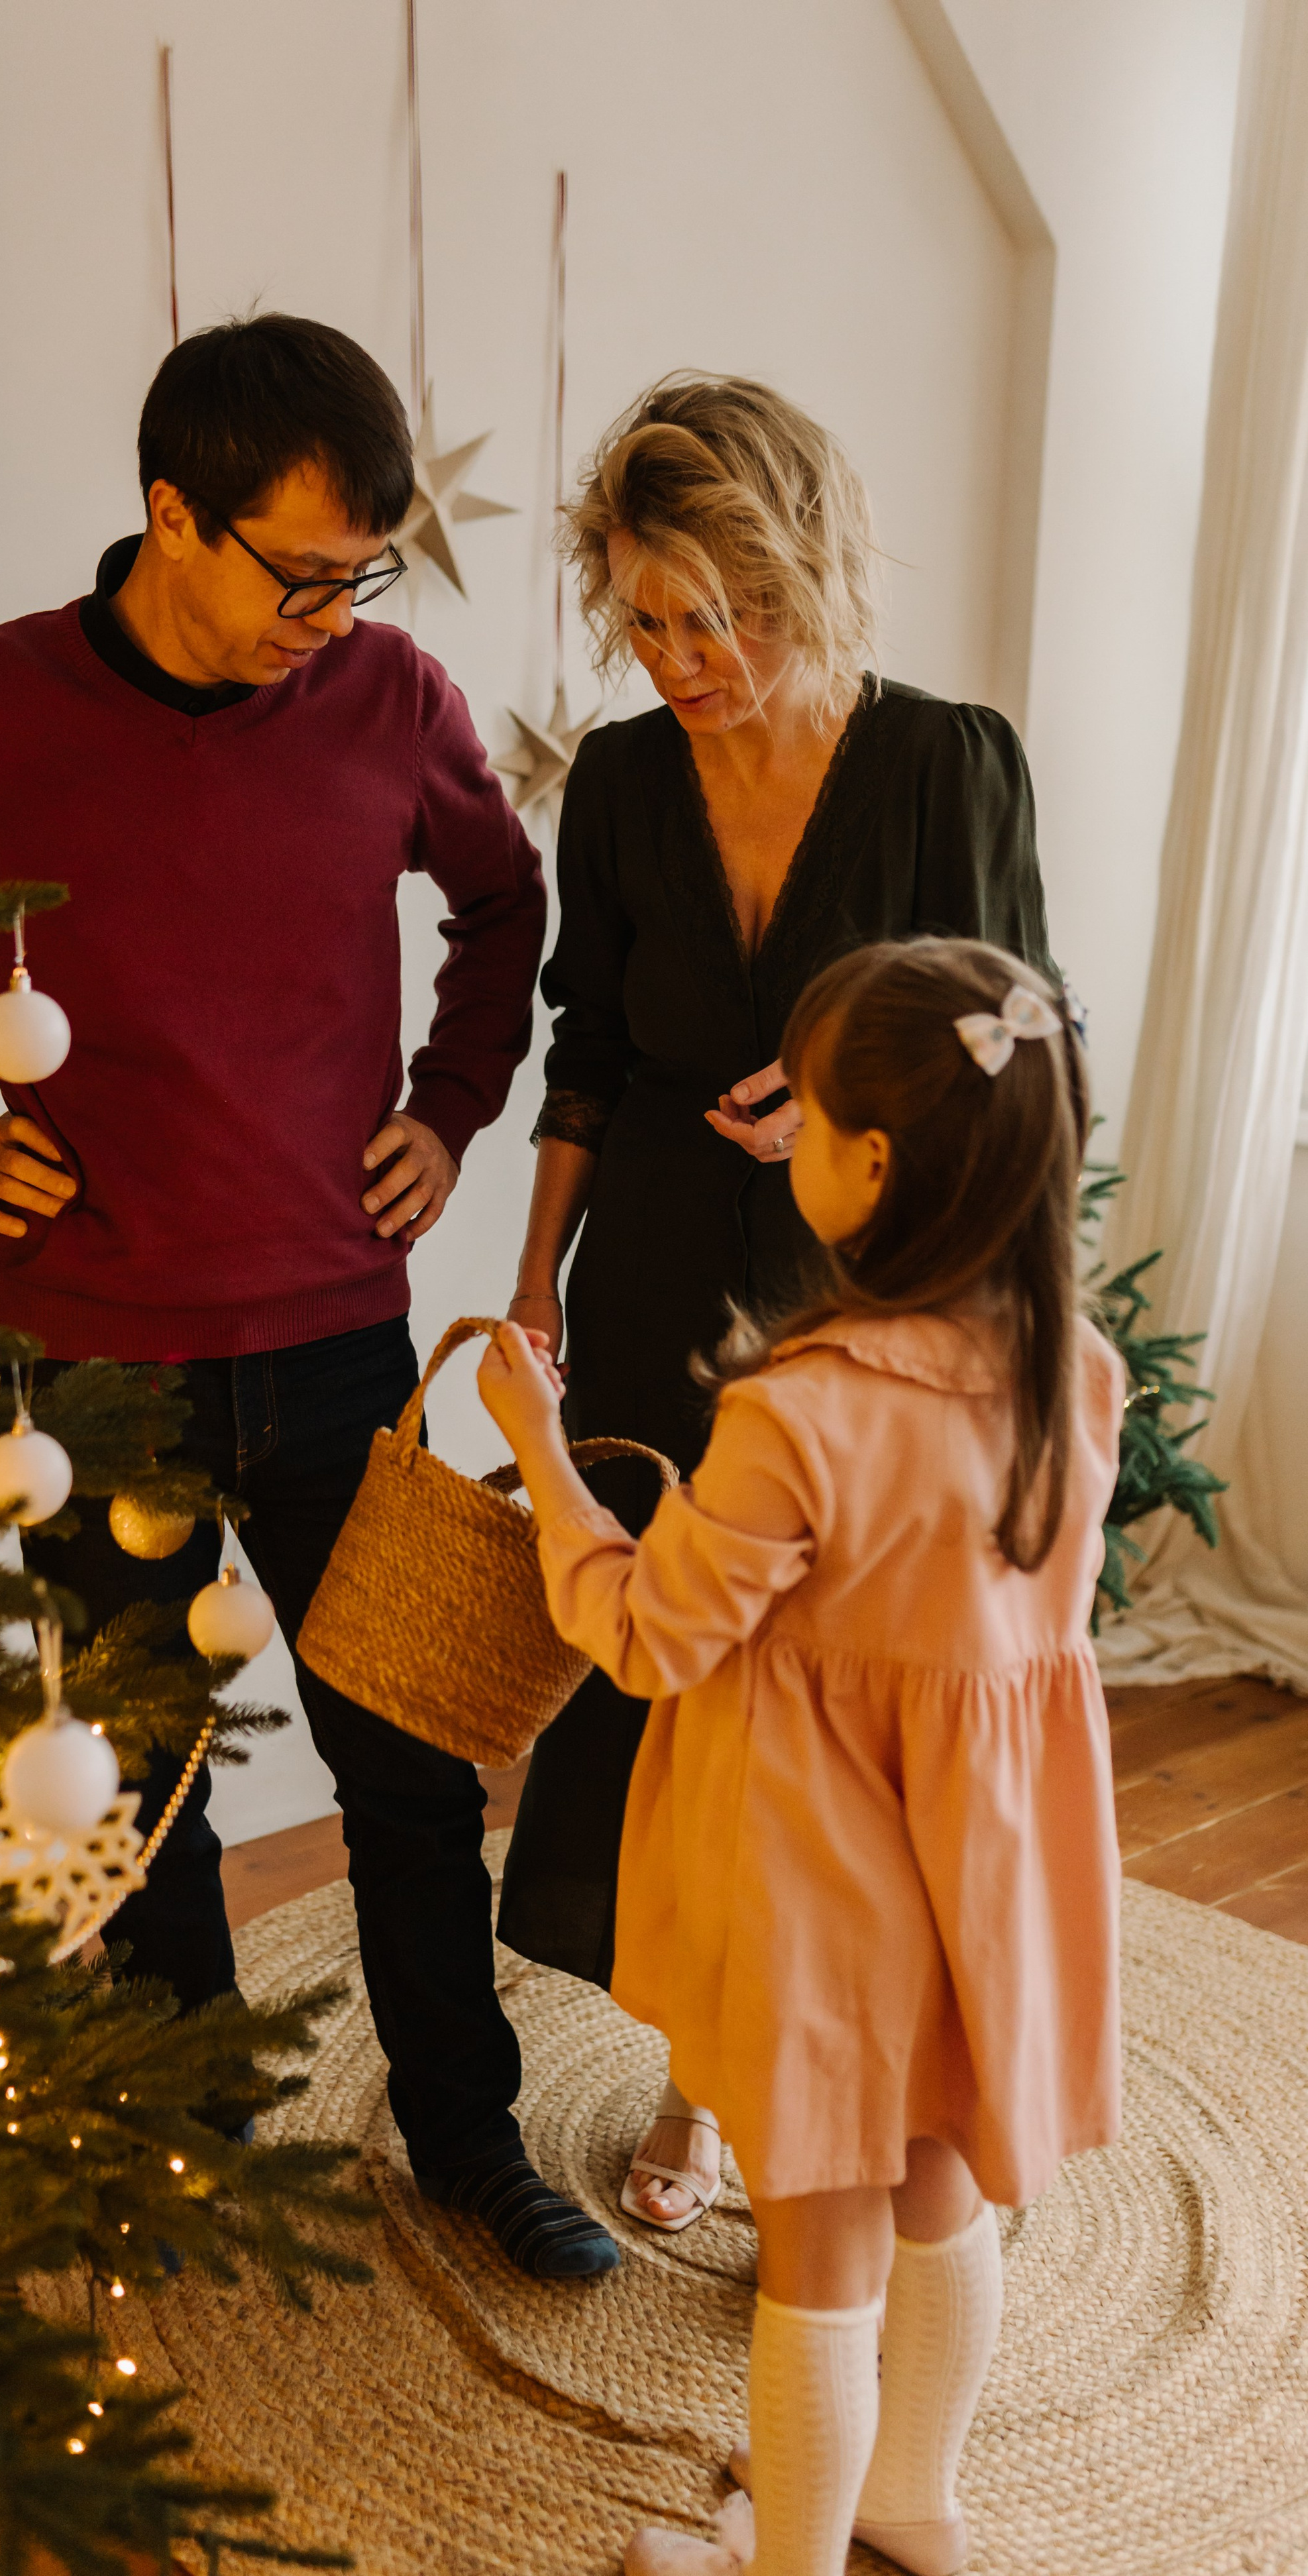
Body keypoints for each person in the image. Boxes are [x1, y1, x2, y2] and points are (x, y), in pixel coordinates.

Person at [0, 313, 622, 2282]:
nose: (330, 615)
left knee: (412, 1777)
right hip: (95, 1359)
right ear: (168, 517)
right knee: (139, 1782)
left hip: (342, 1333)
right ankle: (179, 2150)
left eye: (363, 575)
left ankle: (466, 2136)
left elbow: (505, 910)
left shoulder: (387, 695)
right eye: (297, 575)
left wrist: (452, 1109)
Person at [479, 937, 1123, 2576]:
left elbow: (645, 1636)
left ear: (873, 1168)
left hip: (819, 1892)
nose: (788, 1138)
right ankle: (914, 2506)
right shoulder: (1075, 1378)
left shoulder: (801, 1416)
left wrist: (545, 1462)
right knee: (936, 2197)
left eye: (809, 1115)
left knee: (818, 2257)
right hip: (971, 1878)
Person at [497, 374, 1056, 2235]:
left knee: (823, 1714)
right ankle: (703, 2074)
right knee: (672, 1688)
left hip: (860, 1293)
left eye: (722, 614)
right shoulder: (629, 783)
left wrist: (837, 1107)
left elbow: (1017, 1040)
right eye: (648, 618)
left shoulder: (945, 764)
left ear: (806, 573)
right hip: (653, 1264)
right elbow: (586, 1045)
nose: (684, 656)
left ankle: (853, 2075)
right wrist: (531, 1280)